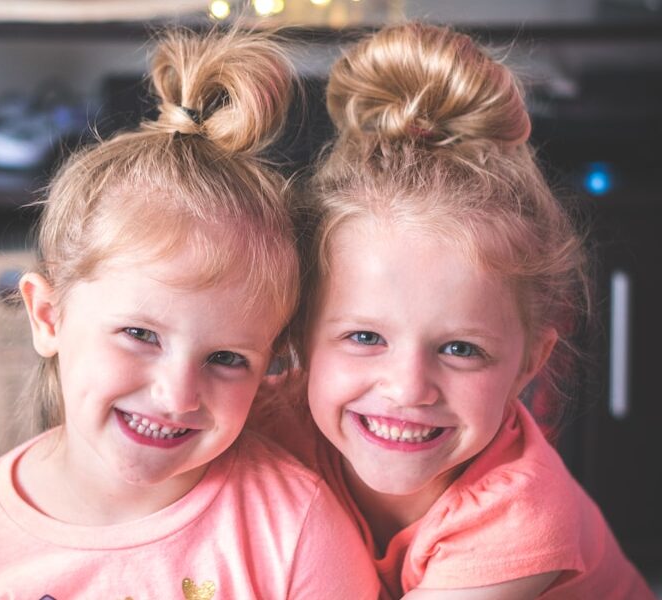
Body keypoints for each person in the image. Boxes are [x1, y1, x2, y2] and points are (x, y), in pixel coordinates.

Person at [0, 27, 379, 600]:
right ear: (48, 316)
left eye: (226, 358)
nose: (178, 395)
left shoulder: (299, 535)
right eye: (140, 334)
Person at [254, 21, 655, 599]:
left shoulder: (521, 514)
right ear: (299, 330)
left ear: (529, 361)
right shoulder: (265, 426)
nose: (408, 388)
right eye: (365, 337)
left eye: (460, 349)